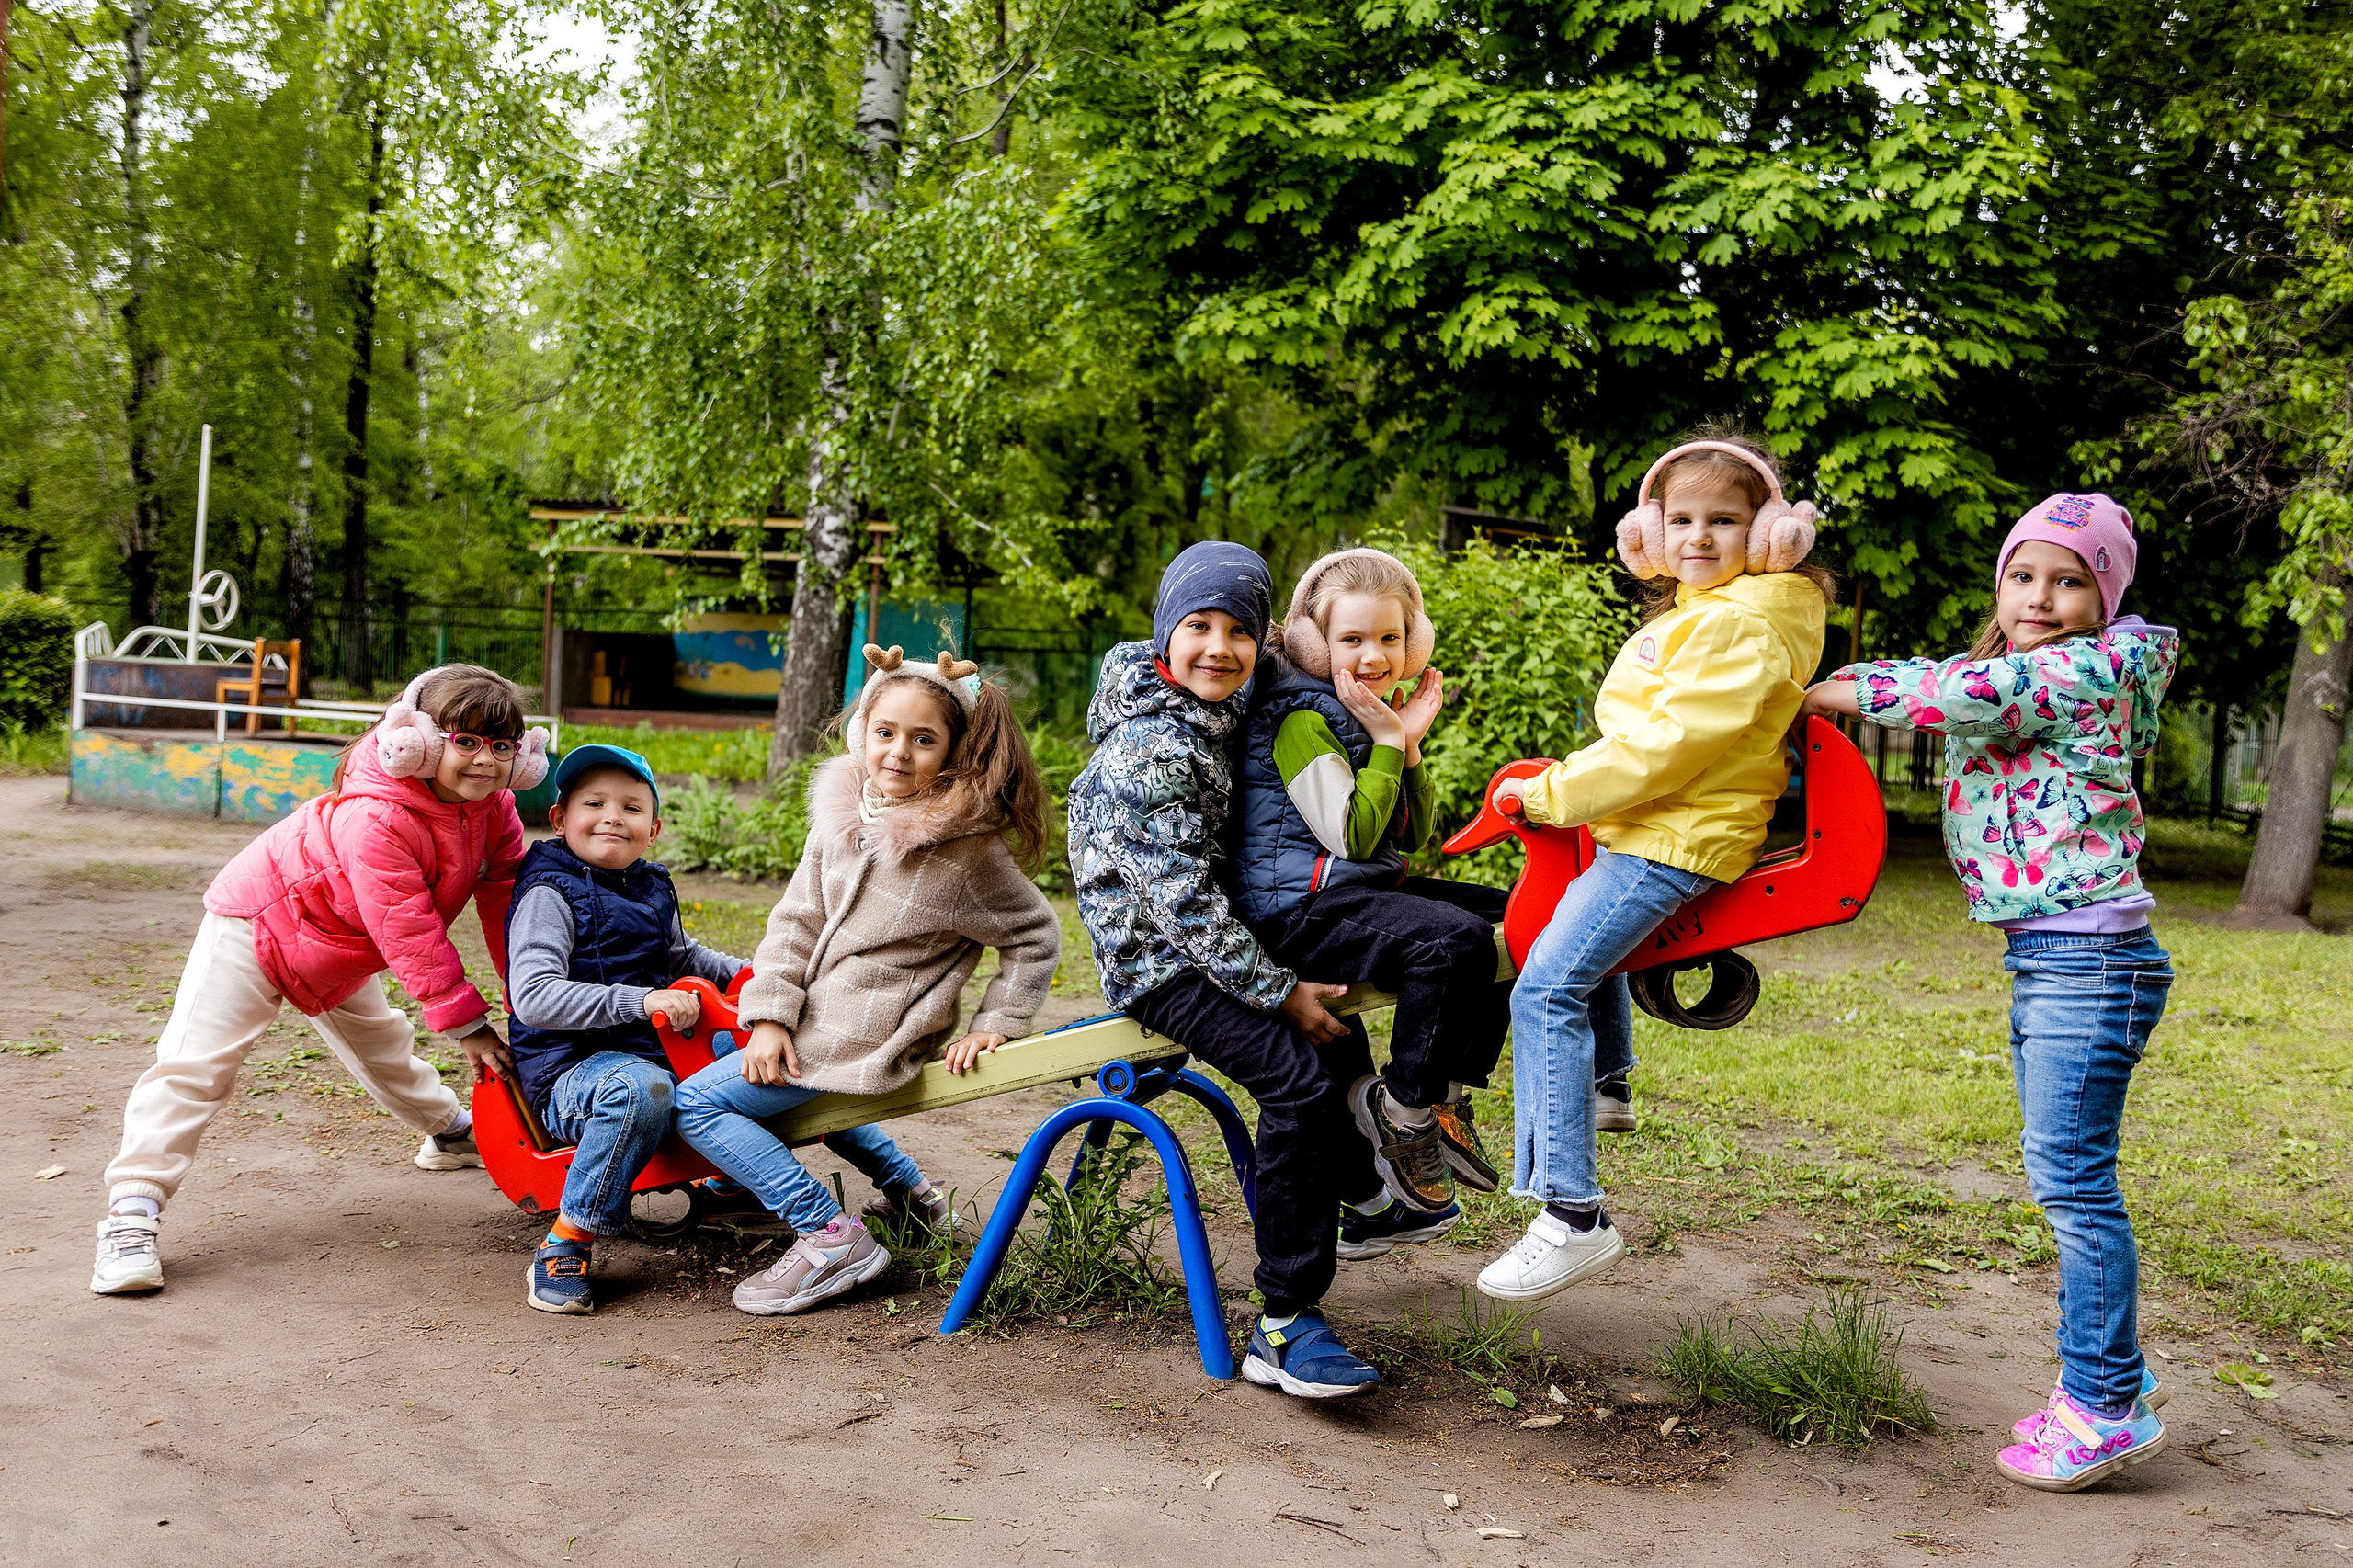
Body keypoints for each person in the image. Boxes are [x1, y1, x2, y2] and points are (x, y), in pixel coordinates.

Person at [1801, 491, 2177, 1492]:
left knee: (2073, 1185)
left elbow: (1942, 696)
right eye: (2024, 575)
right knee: (2068, 1176)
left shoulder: (2080, 671)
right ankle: (2115, 1385)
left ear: (2103, 599)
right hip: (2056, 958)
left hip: (2087, 962)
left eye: (2069, 580)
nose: (2042, 598)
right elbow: (1967, 682)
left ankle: (2100, 1407)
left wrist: (1816, 686)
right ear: (1999, 582)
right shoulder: (2026, 672)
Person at [1476, 428, 1832, 1304]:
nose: (1700, 538)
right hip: (1658, 828)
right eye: (1681, 520)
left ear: (1773, 534)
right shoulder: (1707, 617)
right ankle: (1605, 1088)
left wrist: (1555, 792)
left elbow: (1665, 750)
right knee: (1565, 941)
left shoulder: (1738, 629)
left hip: (1674, 838)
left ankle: (1572, 1214)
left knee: (1546, 987)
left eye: (1726, 520)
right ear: (1648, 532)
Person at [90, 665, 548, 1296]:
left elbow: (507, 902)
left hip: (339, 947)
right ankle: (130, 1216)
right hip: (256, 927)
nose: (486, 760)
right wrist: (467, 1021)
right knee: (195, 1067)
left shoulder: (495, 811)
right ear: (414, 741)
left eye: (502, 747)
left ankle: (448, 1134)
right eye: (465, 741)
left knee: (383, 1046)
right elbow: (407, 926)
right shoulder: (377, 817)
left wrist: (527, 995)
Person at [1066, 540, 1380, 1401]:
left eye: (1239, 631)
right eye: (1197, 626)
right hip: (1161, 967)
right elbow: (1183, 908)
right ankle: (1283, 1321)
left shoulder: (1219, 714)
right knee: (1299, 1082)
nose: (1218, 647)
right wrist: (1278, 993)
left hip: (1221, 944)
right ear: (1164, 635)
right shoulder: (1150, 750)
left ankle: (1371, 1193)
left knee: (1344, 1028)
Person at [676, 646, 1062, 1318]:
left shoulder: (967, 852)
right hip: (822, 1021)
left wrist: (998, 1020)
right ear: (862, 733)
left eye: (923, 739)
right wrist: (769, 1015)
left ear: (954, 751)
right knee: (739, 1065)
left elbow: (1036, 934)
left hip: (870, 1032)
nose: (899, 752)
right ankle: (910, 1194)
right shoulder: (844, 822)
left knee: (697, 1105)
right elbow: (796, 918)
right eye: (885, 733)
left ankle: (827, 1236)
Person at [1231, 547, 1509, 1250]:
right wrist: (1390, 736)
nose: (1375, 655)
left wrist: (1406, 749)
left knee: (1516, 914)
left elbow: (1417, 833)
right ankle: (1404, 1110)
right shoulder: (1301, 717)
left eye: (1390, 638)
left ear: (1413, 641)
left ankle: (1443, 1094)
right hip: (1298, 912)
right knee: (1455, 941)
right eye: (1352, 639)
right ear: (1313, 643)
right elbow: (1351, 837)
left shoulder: (1363, 710)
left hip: (1354, 894)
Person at [503, 743, 750, 1313]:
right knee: (640, 1089)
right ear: (560, 819)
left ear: (654, 829)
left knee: (744, 1058)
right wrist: (641, 1002)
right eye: (594, 803)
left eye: (631, 807)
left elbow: (684, 958)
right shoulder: (548, 892)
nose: (613, 816)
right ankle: (568, 1240)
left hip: (645, 1054)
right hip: (571, 1072)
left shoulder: (648, 885)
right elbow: (534, 997)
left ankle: (726, 1180)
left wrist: (759, 975)